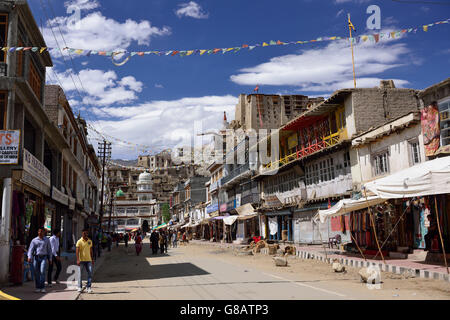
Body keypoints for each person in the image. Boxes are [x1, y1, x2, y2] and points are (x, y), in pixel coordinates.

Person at [27, 227, 53, 293]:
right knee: (36, 273)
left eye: (42, 231)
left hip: (44, 257)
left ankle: (42, 287)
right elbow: (30, 249)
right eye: (39, 231)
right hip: (36, 257)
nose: (40, 233)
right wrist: (29, 257)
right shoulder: (34, 240)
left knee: (42, 271)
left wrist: (50, 258)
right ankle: (38, 287)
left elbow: (49, 250)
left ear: (44, 232)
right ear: (38, 232)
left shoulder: (47, 240)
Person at [76, 228, 94, 293]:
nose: (85, 234)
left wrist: (92, 259)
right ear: (82, 233)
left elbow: (91, 251)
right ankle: (79, 287)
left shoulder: (90, 241)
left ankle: (88, 287)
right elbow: (77, 251)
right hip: (81, 261)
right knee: (79, 274)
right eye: (84, 233)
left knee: (90, 273)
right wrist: (78, 259)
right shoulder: (79, 241)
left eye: (86, 233)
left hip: (89, 260)